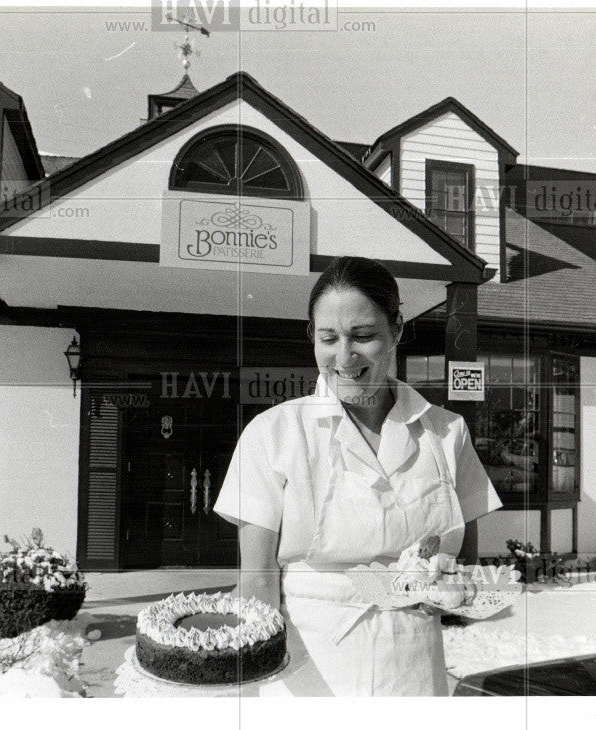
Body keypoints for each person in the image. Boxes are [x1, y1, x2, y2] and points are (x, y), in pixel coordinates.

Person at [212, 256, 502, 696]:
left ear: (397, 330)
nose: (344, 357)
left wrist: (444, 583)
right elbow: (258, 580)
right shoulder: (273, 434)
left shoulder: (447, 432)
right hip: (307, 670)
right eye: (328, 338)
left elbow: (466, 567)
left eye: (363, 337)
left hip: (413, 667)